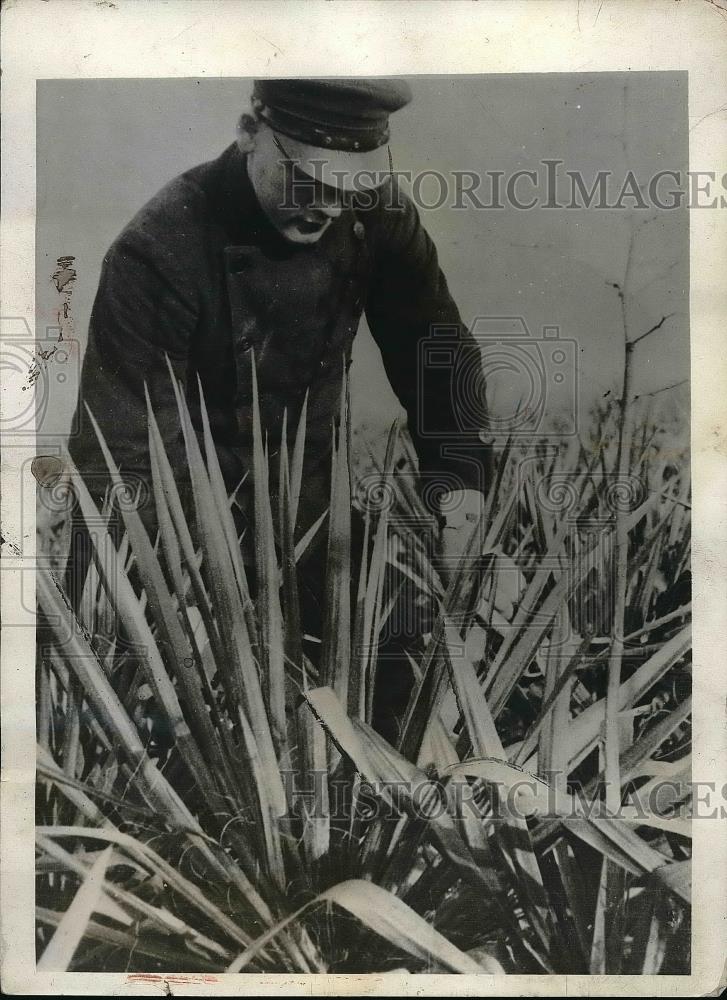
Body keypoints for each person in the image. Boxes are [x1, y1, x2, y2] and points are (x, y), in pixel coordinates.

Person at [67, 78, 492, 732]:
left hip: (312, 518)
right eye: (309, 180)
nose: (326, 206)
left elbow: (436, 354)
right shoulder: (159, 248)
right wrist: (170, 612)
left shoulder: (374, 213)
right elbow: (121, 455)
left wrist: (460, 493)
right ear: (247, 132)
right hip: (182, 536)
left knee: (391, 700)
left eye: (347, 188)